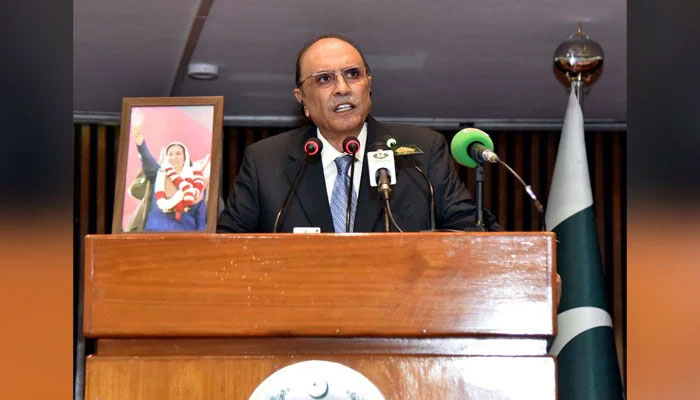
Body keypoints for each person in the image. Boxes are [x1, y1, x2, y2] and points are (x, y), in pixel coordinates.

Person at [217, 34, 499, 233]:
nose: (342, 88)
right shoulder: (265, 162)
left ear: (368, 85)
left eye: (353, 74)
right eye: (324, 79)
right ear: (301, 98)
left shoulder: (421, 152)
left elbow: (472, 230)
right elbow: (223, 247)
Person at [126, 128, 209, 231]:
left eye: (178, 154)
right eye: (170, 154)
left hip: (184, 239)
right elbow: (146, 157)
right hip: (153, 235)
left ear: (185, 158)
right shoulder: (158, 173)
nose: (173, 157)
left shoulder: (197, 181)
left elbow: (200, 218)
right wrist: (139, 139)